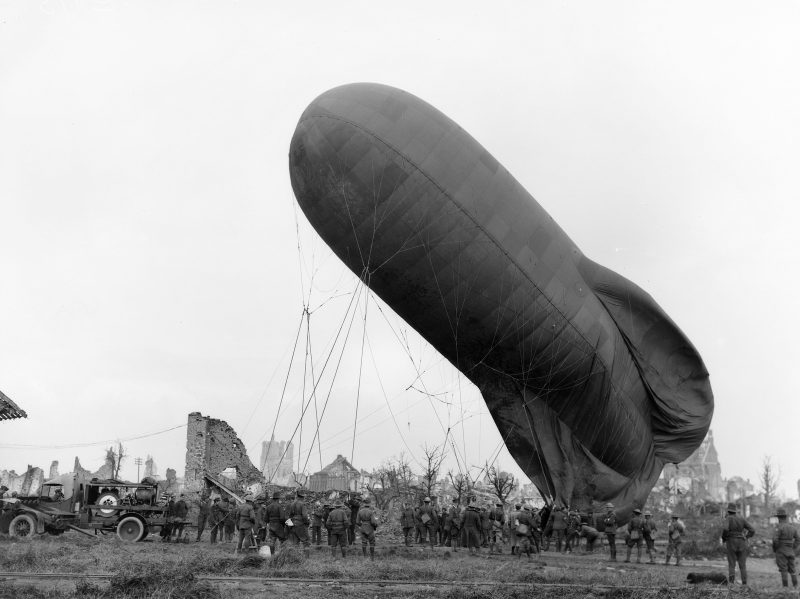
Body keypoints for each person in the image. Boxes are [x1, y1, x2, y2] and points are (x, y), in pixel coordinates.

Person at [722, 503, 755, 584]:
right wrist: (746, 537)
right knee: (743, 565)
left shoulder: (728, 518)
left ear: (728, 511)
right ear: (735, 511)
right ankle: (744, 584)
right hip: (742, 542)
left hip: (731, 542)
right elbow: (752, 530)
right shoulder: (742, 518)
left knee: (732, 564)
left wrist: (724, 538)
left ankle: (731, 583)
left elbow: (725, 529)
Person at [773, 507, 800, 588]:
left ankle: (785, 588)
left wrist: (776, 548)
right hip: (790, 551)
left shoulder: (779, 527)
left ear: (778, 518)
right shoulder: (793, 527)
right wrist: (793, 547)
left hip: (781, 551)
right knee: (792, 569)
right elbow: (798, 539)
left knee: (783, 569)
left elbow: (775, 540)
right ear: (786, 517)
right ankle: (795, 586)